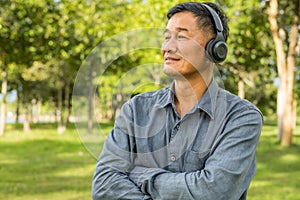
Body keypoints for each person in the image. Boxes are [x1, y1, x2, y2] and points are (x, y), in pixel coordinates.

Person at [92, 2, 263, 200]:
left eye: (181, 36)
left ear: (215, 48)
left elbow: (212, 192)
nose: (167, 47)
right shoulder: (136, 109)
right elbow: (104, 184)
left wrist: (142, 176)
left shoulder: (241, 118)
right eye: (166, 37)